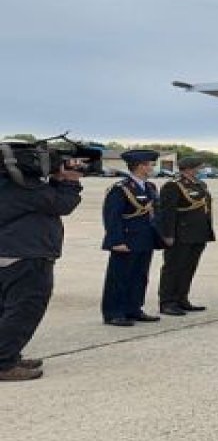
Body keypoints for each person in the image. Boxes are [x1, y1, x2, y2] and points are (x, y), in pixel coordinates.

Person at [0, 140, 84, 381]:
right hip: (27, 256)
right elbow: (62, 204)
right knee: (23, 310)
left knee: (6, 309)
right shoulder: (28, 188)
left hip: (9, 254)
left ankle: (8, 354)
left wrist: (57, 181)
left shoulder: (10, 185)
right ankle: (4, 363)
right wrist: (70, 182)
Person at [101, 149, 165, 327]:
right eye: (150, 165)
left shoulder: (150, 187)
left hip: (145, 238)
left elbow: (155, 214)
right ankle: (114, 312)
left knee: (140, 276)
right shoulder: (120, 188)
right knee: (120, 277)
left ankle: (134, 308)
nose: (152, 167)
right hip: (127, 239)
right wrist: (116, 241)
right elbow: (112, 216)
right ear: (139, 166)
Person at [154, 156, 214, 316]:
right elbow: (167, 212)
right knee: (173, 268)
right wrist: (168, 234)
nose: (201, 171)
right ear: (188, 169)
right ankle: (167, 302)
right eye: (199, 167)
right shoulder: (173, 186)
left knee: (189, 267)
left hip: (198, 233)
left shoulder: (200, 185)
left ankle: (182, 298)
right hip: (181, 234)